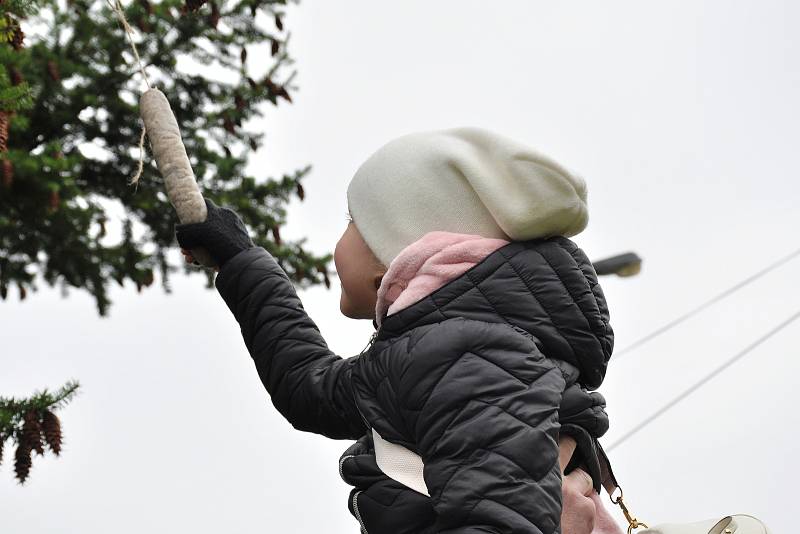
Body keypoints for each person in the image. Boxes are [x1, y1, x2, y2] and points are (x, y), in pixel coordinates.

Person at [176, 127, 623, 533]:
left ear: (393, 251)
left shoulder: (468, 357)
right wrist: (241, 262)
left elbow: (500, 519)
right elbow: (309, 387)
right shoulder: (433, 354)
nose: (340, 240)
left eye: (352, 221)